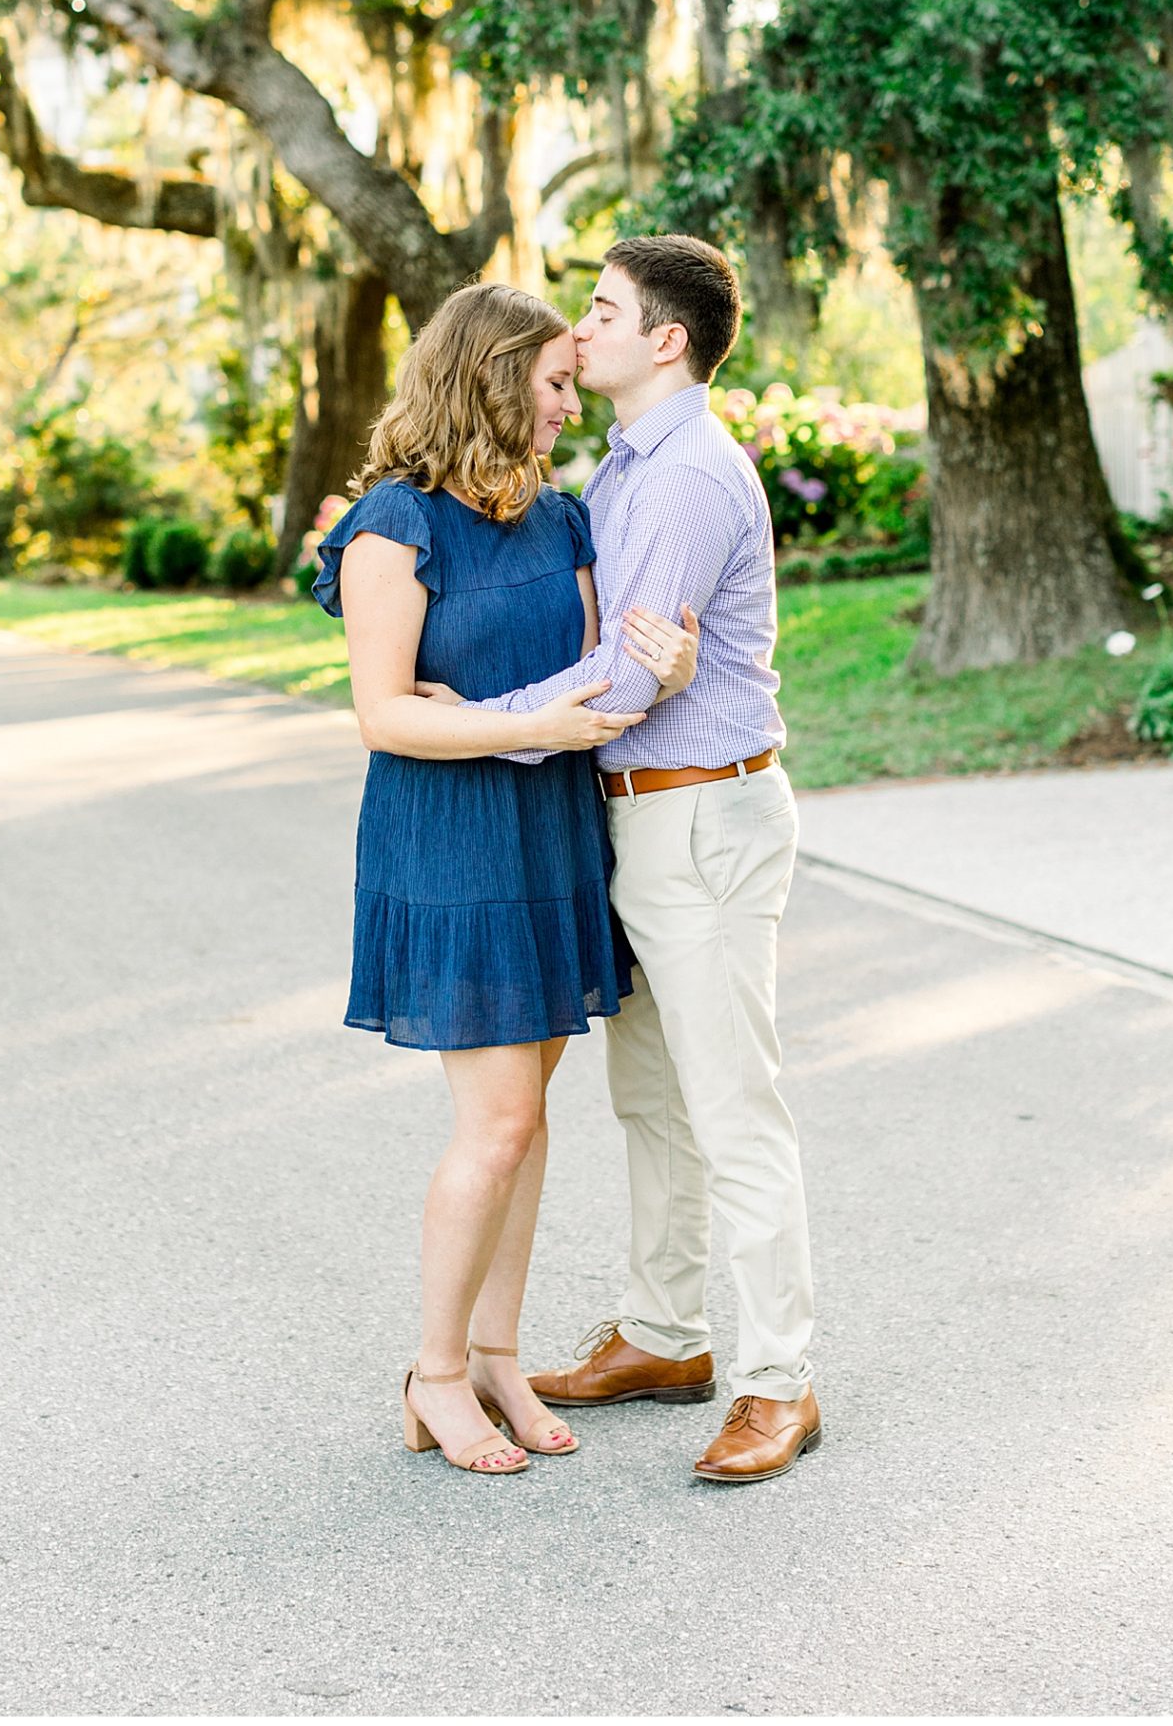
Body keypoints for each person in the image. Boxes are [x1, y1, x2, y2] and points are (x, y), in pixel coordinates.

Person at [311, 283, 699, 1478]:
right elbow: (384, 718)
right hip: (452, 843)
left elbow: (591, 672)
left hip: (551, 830)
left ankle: (495, 1357)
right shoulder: (393, 524)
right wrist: (495, 724)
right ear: (488, 378)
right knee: (499, 1123)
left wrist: (660, 669)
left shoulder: (562, 519)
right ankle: (432, 1372)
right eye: (553, 382)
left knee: (528, 1126)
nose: (568, 403)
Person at [451, 235, 820, 1485]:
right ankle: (667, 1336)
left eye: (604, 310)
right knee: (653, 1100)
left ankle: (781, 1381)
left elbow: (616, 677)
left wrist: (470, 725)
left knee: (732, 1108)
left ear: (667, 339)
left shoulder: (682, 479)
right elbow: (613, 642)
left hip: (699, 816)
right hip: (633, 817)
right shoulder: (623, 467)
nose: (583, 326)